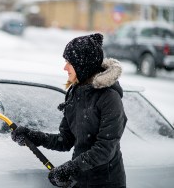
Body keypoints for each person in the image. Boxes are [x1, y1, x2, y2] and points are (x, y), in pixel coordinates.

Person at [11, 33, 127, 188]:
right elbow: (65, 140)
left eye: (69, 62)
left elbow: (105, 149)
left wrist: (70, 169)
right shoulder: (75, 93)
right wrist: (34, 136)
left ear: (83, 64)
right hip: (80, 182)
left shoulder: (109, 98)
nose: (64, 67)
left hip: (105, 182)